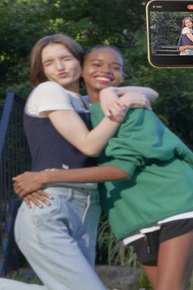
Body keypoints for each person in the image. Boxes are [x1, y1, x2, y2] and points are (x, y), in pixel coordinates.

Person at [13, 46, 193, 290]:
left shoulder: (124, 108)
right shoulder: (78, 106)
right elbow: (91, 144)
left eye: (115, 68)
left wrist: (44, 177)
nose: (106, 71)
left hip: (174, 203)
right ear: (84, 70)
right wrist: (113, 96)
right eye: (98, 64)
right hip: (135, 216)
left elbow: (122, 166)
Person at [0, 34, 153, 290]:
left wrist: (111, 92)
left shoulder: (82, 103)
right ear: (42, 70)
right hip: (51, 205)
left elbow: (151, 93)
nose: (59, 67)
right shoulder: (48, 91)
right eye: (48, 63)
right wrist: (122, 103)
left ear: (81, 62)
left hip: (87, 207)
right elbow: (89, 145)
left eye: (66, 59)